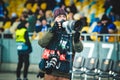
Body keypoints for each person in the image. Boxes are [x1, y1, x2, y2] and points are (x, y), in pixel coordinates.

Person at [38, 8, 83, 80]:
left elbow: (79, 49)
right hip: (51, 71)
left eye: (64, 16)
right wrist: (52, 31)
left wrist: (76, 40)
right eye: (59, 17)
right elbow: (42, 43)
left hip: (65, 72)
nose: (62, 19)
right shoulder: (51, 31)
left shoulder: (70, 32)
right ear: (55, 19)